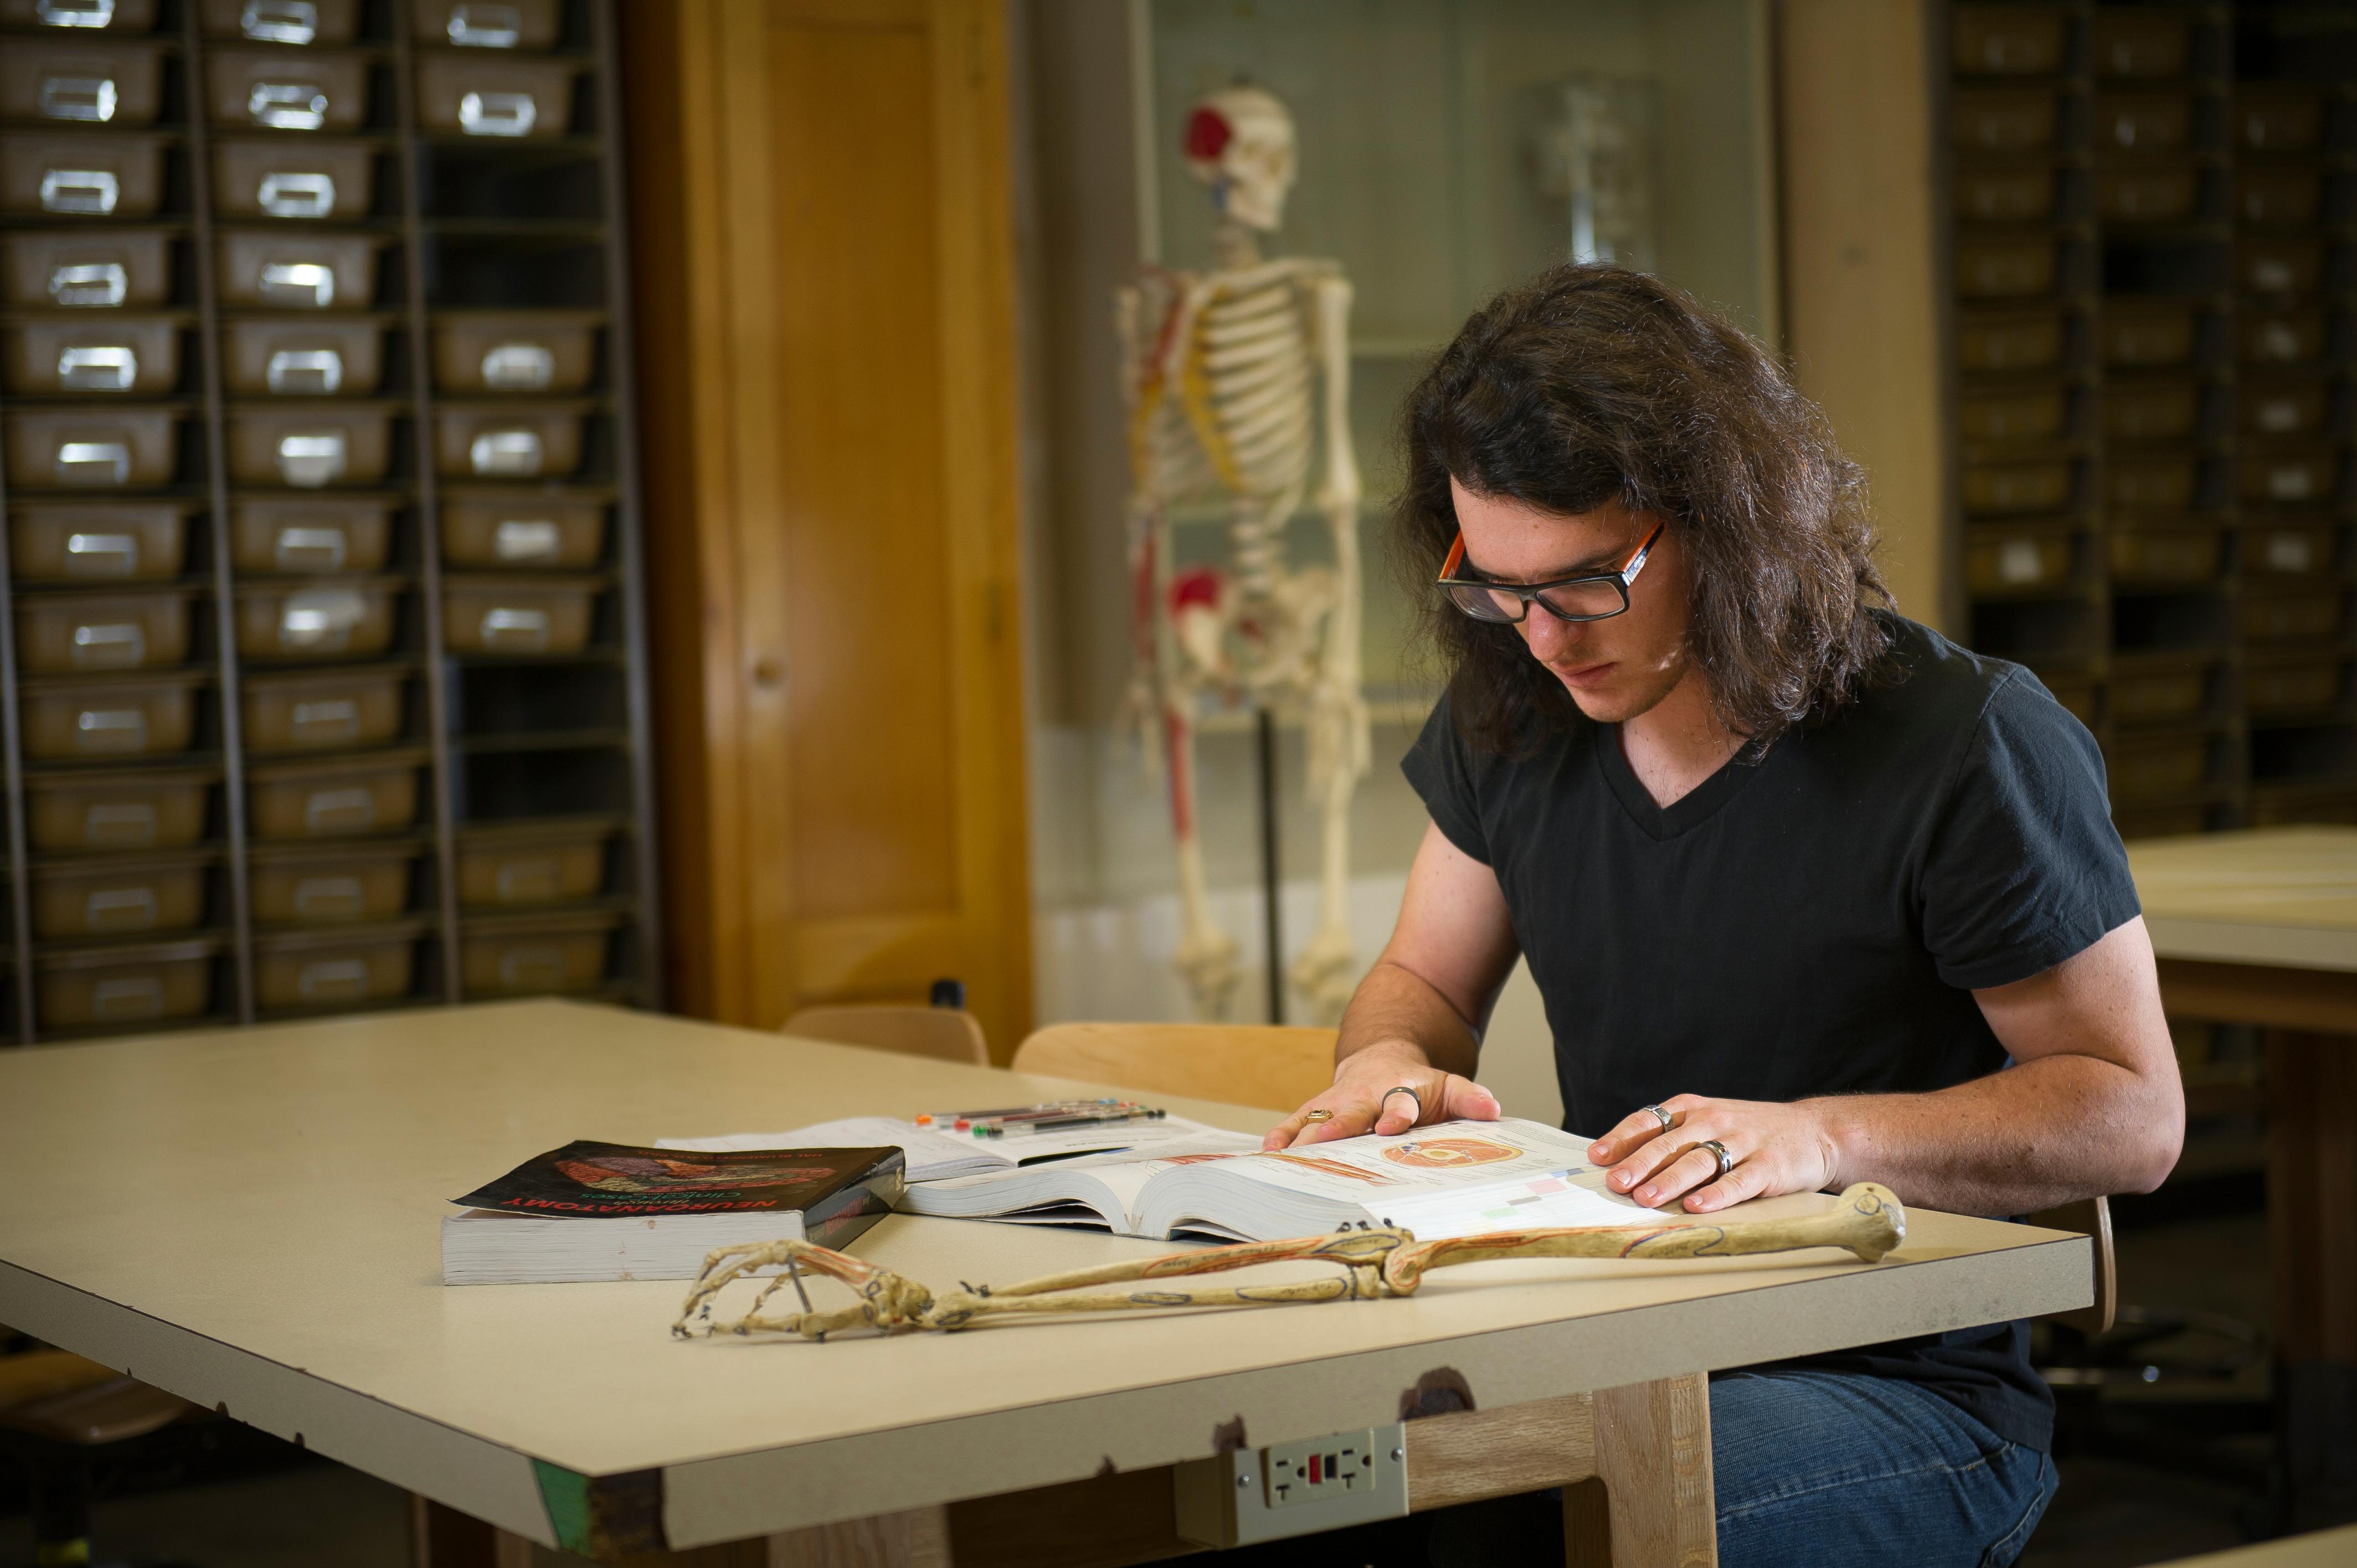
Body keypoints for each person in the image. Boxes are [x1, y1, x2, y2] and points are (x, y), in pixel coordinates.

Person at [1262, 265, 2185, 1567]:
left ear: (1729, 523)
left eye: (1585, 584)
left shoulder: (1964, 743)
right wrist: (1388, 1062)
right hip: (1617, 1333)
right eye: (1497, 587)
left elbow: (2134, 1116)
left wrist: (1821, 1140)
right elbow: (1424, 972)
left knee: (1509, 1525)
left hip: (1896, 1390)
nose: (1540, 637)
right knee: (1304, 1501)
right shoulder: (1517, 709)